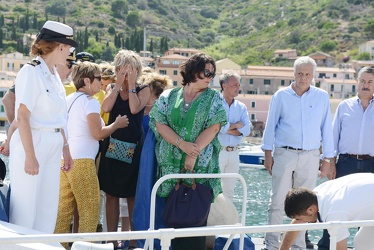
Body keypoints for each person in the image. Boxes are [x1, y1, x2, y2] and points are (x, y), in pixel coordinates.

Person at [149, 52, 227, 250]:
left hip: (199, 169)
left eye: (212, 73)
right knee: (173, 220)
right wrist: (181, 144)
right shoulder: (170, 95)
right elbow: (159, 123)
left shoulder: (214, 98)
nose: (210, 77)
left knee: (195, 220)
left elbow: (214, 127)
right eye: (206, 72)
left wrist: (192, 153)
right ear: (193, 71)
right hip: (171, 169)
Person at [8, 20, 77, 233]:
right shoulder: (31, 72)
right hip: (34, 143)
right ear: (59, 46)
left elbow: (58, 118)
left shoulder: (55, 75)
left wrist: (66, 148)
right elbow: (23, 116)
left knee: (48, 211)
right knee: (25, 212)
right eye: (69, 48)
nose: (70, 52)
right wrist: (30, 155)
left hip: (53, 145)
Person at [261, 56, 335, 250]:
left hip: (311, 156)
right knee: (277, 200)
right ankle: (271, 245)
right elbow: (270, 127)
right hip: (284, 154)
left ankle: (298, 246)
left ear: (313, 76)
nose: (303, 78)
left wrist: (328, 158)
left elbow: (326, 128)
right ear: (294, 74)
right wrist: (268, 154)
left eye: (307, 74)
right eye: (300, 74)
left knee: (305, 205)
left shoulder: (321, 97)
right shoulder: (280, 96)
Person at [53, 62, 129, 244]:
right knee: (90, 208)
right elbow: (97, 134)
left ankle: (57, 246)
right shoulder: (90, 102)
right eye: (98, 78)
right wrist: (116, 124)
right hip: (83, 161)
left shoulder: (69, 99)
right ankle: (86, 248)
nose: (100, 82)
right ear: (87, 80)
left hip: (65, 160)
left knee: (64, 211)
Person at [317, 66, 374, 249]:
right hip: (346, 163)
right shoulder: (344, 106)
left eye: (370, 82)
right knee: (334, 209)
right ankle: (327, 247)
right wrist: (330, 163)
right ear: (357, 82)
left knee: (367, 214)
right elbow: (333, 138)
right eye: (363, 81)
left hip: (371, 165)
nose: (366, 85)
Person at [98, 49, 150, 249]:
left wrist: (131, 86)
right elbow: (107, 107)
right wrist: (118, 85)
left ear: (137, 70)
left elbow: (135, 109)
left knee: (131, 195)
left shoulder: (143, 89)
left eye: (131, 69)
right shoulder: (112, 87)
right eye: (122, 69)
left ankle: (133, 240)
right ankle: (111, 239)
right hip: (112, 146)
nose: (126, 73)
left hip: (134, 148)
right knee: (111, 195)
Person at [280, 173, 374, 250]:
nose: (300, 221)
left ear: (310, 210)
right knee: (363, 243)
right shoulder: (316, 194)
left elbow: (340, 248)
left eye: (300, 218)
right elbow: (297, 222)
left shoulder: (334, 212)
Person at [218, 71, 251, 202]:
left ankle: (226, 221)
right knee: (214, 189)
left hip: (234, 153)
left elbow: (247, 130)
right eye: (235, 85)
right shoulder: (216, 104)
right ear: (224, 85)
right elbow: (217, 126)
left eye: (238, 85)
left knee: (229, 192)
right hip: (218, 152)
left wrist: (226, 128)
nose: (238, 88)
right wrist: (236, 126)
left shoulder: (241, 107)